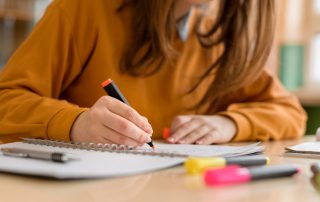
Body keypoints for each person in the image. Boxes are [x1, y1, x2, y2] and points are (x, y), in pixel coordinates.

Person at [0, 0, 306, 145]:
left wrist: (229, 123)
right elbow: (6, 100)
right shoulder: (82, 9)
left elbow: (290, 113)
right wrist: (75, 123)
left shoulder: (215, 37)